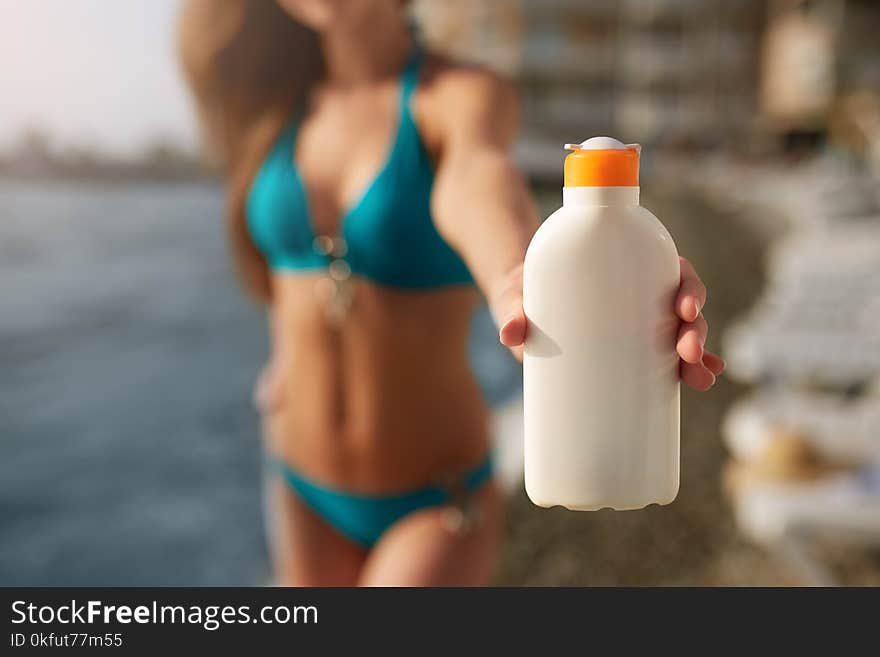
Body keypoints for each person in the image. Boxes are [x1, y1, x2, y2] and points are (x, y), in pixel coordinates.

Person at [178, 0, 725, 586]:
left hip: (436, 498)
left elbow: (477, 179)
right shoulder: (273, 107)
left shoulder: (461, 94)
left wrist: (519, 279)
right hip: (298, 477)